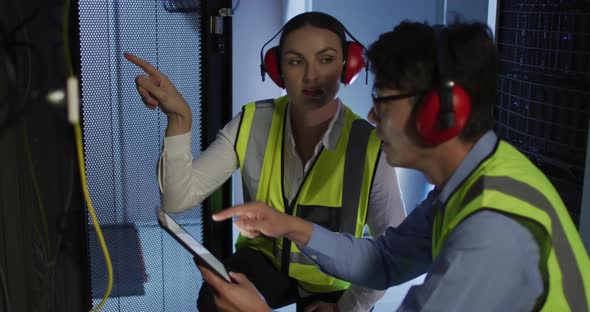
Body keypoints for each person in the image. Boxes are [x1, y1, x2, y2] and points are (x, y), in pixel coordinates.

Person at [197, 20, 590, 311]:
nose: (370, 115)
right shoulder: (476, 180)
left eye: (383, 101)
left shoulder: (491, 230)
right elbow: (383, 260)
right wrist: (289, 226)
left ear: (439, 112)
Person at [125, 11, 406, 312]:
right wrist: (180, 118)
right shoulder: (253, 121)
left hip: (334, 279)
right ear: (277, 70)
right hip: (267, 261)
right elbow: (177, 199)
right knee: (216, 299)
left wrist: (348, 307)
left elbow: (395, 251)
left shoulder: (371, 145)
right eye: (296, 61)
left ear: (348, 67)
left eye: (326, 59)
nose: (311, 76)